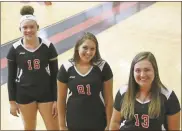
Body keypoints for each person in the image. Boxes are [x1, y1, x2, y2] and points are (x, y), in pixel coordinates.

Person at [6, 5, 59, 130]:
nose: (28, 30)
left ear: (37, 27)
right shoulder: (14, 50)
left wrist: (57, 100)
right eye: (25, 27)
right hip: (24, 94)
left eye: (31, 27)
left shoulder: (48, 47)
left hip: (46, 93)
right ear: (20, 28)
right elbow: (11, 77)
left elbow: (55, 75)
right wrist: (12, 102)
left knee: (54, 128)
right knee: (29, 128)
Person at [109, 51, 181, 130]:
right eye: (138, 70)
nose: (142, 75)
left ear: (155, 71)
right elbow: (115, 122)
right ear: (132, 72)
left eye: (147, 70)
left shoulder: (168, 96)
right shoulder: (123, 92)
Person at [57, 32, 113, 130]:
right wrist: (62, 125)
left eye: (92, 49)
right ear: (78, 47)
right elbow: (61, 99)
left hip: (98, 120)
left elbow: (109, 99)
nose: (88, 52)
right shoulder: (66, 68)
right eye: (85, 48)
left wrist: (109, 125)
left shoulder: (103, 66)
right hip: (74, 120)